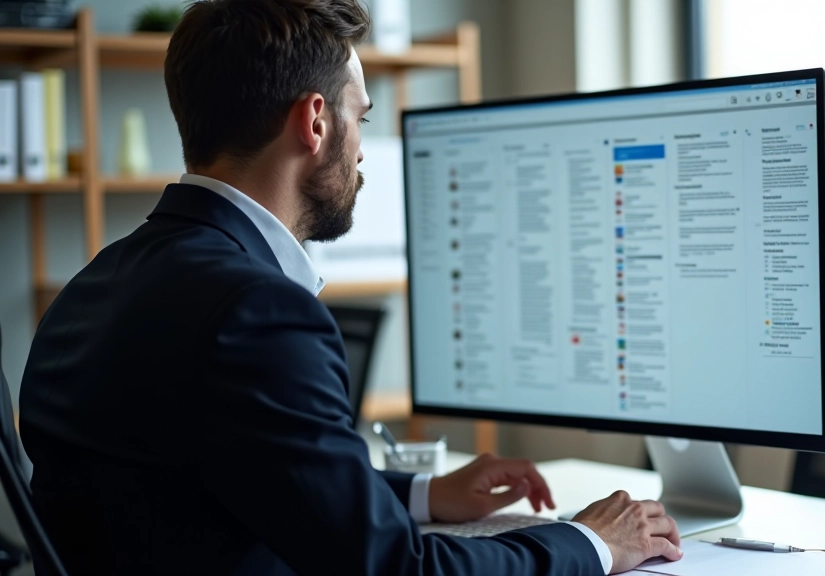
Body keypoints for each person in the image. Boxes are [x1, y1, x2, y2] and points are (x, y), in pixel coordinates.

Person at [18, 1, 682, 574]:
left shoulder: (94, 286)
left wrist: (424, 494)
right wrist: (589, 542)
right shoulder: (259, 313)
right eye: (360, 116)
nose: (363, 149)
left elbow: (229, 485)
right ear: (315, 122)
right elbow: (395, 568)